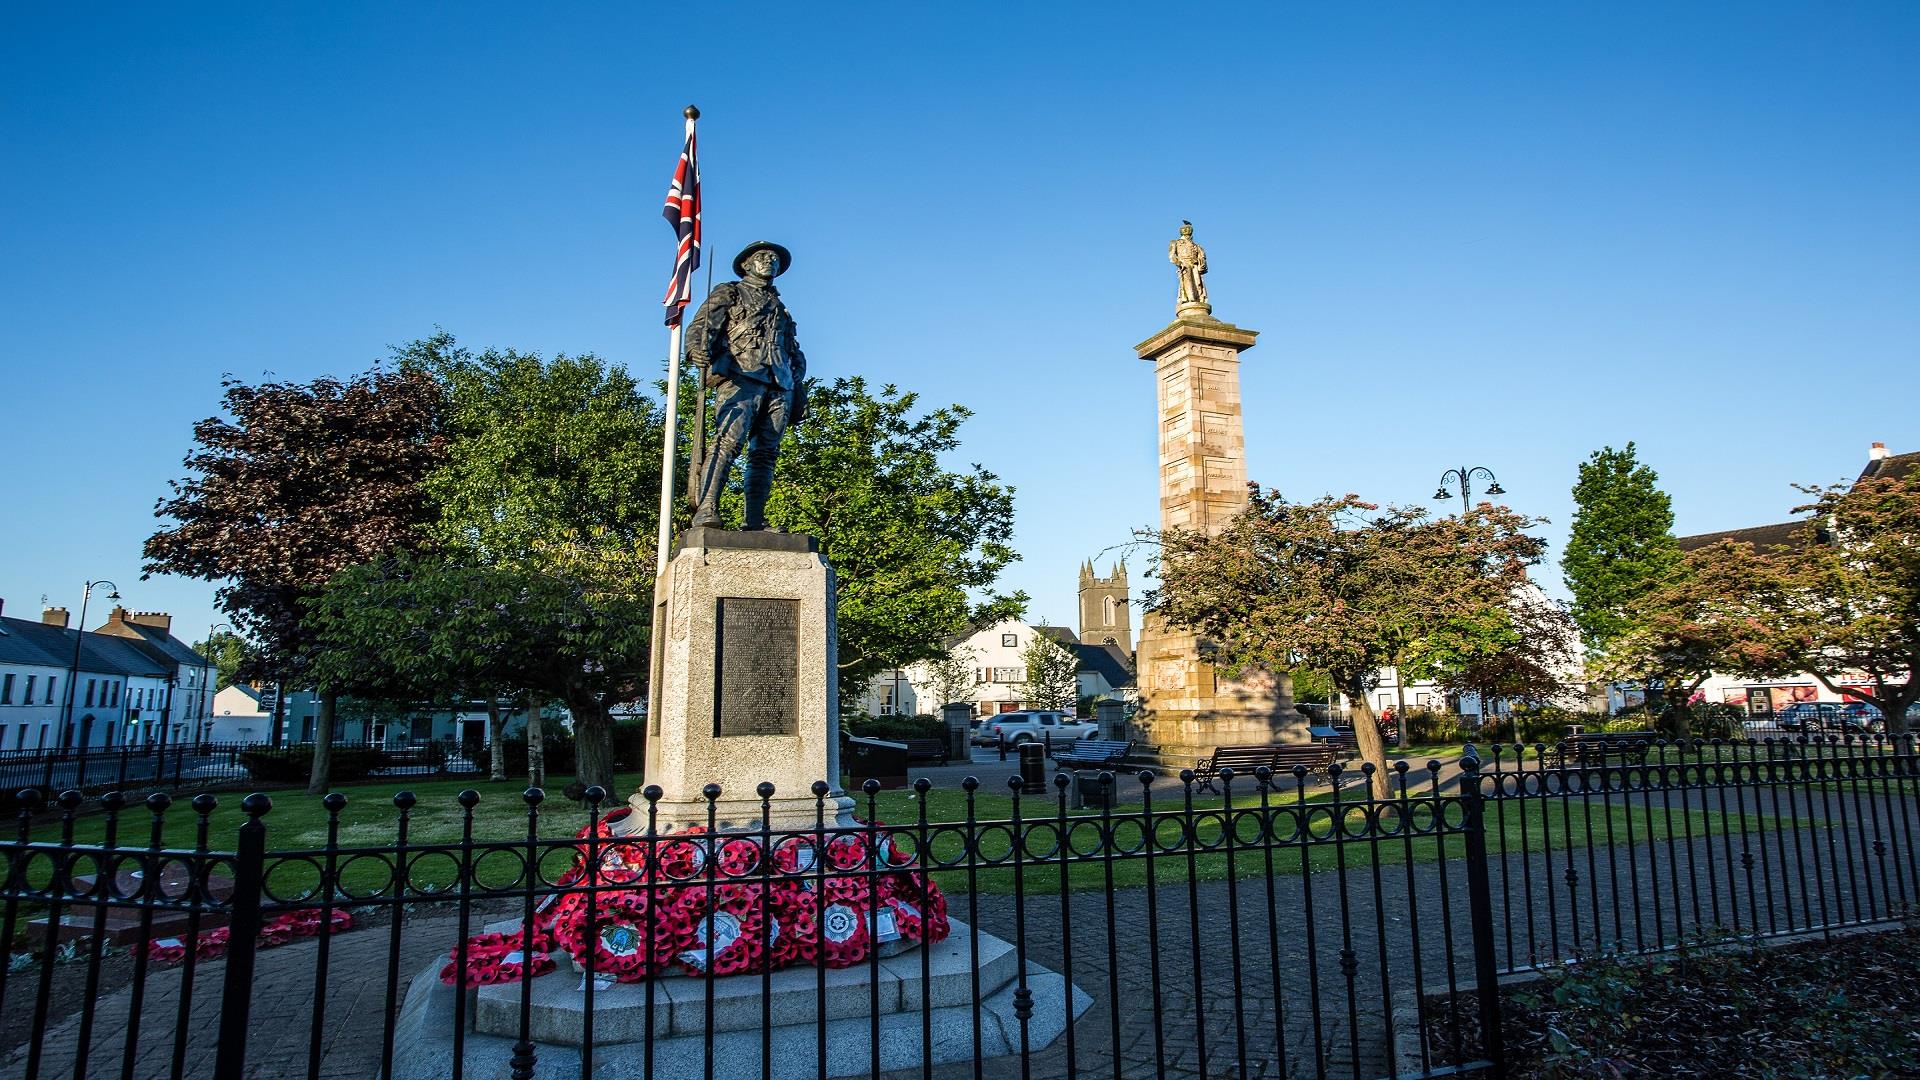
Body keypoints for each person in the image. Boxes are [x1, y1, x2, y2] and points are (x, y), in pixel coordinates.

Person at [685, 241, 808, 530]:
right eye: (762, 256)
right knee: (727, 442)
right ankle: (707, 509)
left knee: (766, 453)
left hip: (780, 382)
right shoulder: (730, 292)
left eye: (774, 258)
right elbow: (701, 327)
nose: (770, 260)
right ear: (746, 264)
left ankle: (755, 522)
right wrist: (695, 350)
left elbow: (791, 346)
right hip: (741, 376)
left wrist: (798, 372)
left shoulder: (781, 308)